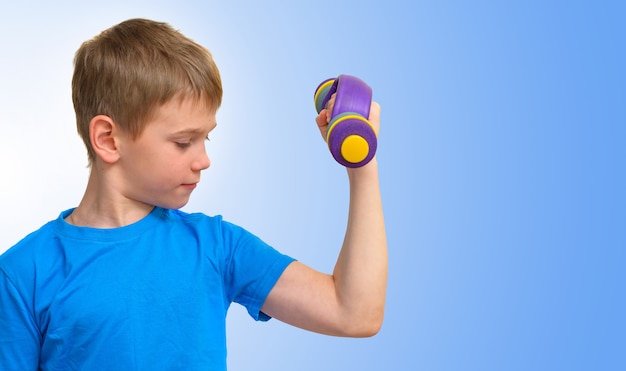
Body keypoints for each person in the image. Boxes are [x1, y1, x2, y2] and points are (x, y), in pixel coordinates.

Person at [0, 18, 387, 370]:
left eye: (206, 137)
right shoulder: (23, 272)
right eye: (184, 142)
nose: (204, 160)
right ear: (108, 139)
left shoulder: (216, 246)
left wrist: (361, 168)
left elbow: (354, 313)